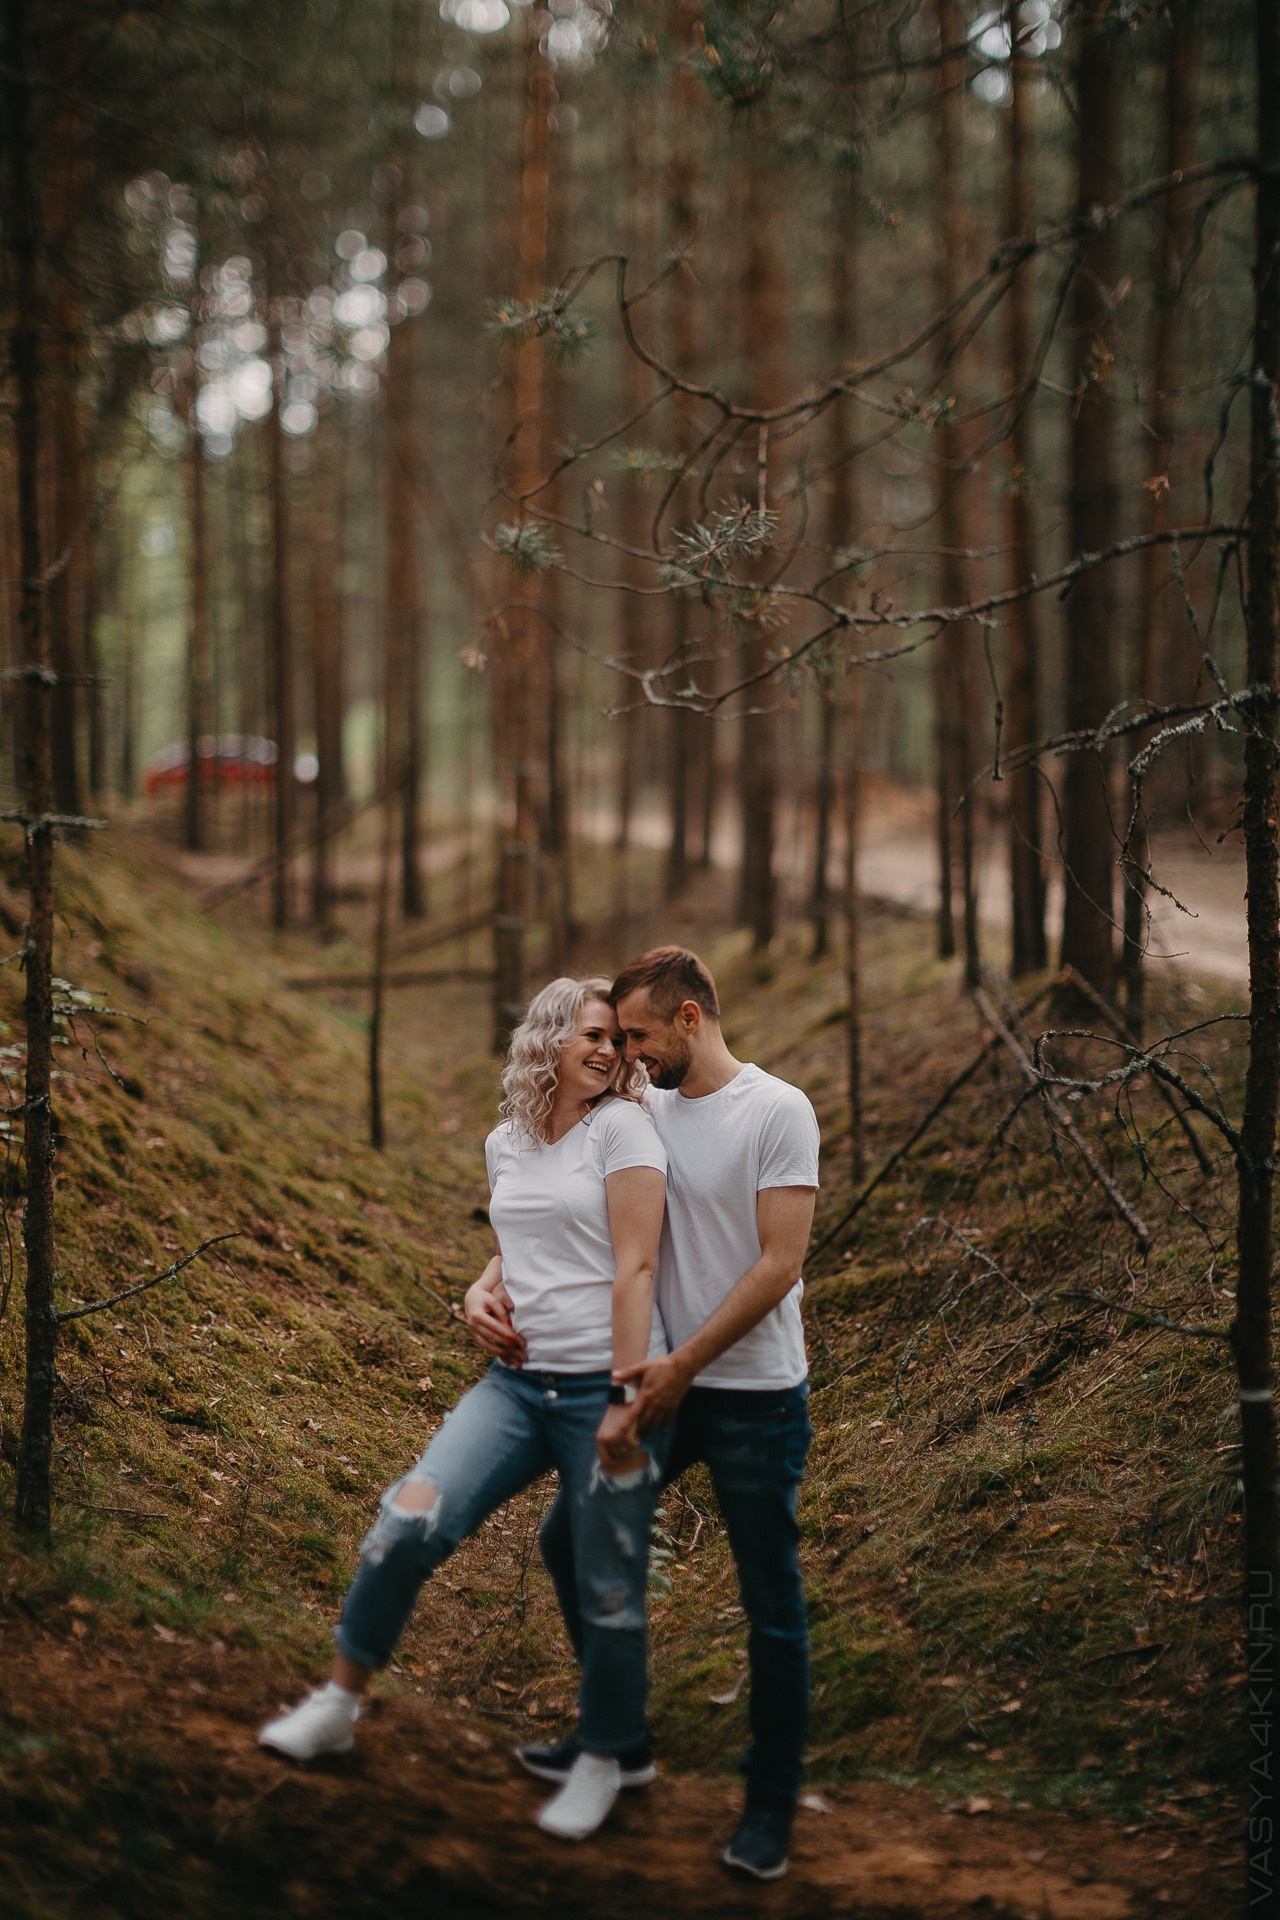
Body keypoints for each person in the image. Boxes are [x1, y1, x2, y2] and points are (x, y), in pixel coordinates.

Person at [259, 976, 672, 1843]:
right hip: (518, 1388)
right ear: (550, 1038)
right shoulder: (506, 1142)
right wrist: (481, 1291)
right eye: (591, 1034)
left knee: (606, 1582)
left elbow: (635, 1266)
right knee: (409, 1519)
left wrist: (628, 1395)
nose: (609, 1051)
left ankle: (606, 1756)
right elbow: (521, 1238)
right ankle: (339, 1702)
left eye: (617, 1040)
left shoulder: (625, 1129)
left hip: (606, 1385)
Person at [470, 946, 820, 1881]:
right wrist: (487, 1278)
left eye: (637, 1035)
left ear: (690, 1020)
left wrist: (680, 1367)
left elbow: (780, 1265)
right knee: (564, 1544)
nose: (623, 1053)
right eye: (615, 1037)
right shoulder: (641, 1109)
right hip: (660, 1388)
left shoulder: (776, 1110)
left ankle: (770, 1808)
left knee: (769, 1606)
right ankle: (620, 1739)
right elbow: (571, 1205)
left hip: (750, 1396)